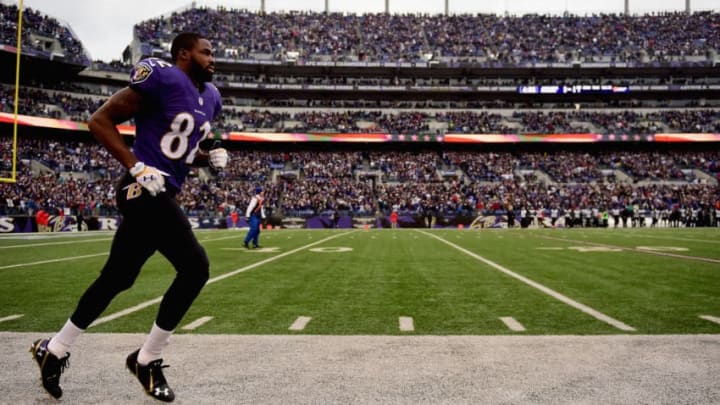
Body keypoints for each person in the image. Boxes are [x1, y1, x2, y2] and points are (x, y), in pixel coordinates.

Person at [29, 32, 228, 403]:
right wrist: (136, 166)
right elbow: (100, 121)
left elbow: (180, 148)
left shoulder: (212, 97)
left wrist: (206, 159)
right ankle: (147, 358)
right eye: (206, 52)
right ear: (184, 54)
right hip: (140, 190)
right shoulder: (164, 76)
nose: (213, 58)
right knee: (195, 267)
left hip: (162, 191)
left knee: (117, 278)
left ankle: (54, 349)